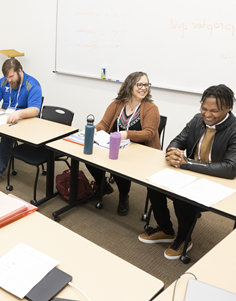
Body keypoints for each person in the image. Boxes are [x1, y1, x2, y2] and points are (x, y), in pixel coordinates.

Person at [139, 84, 236, 260]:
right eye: (204, 108)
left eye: (214, 111)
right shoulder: (197, 120)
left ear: (229, 107)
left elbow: (230, 169)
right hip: (190, 173)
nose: (207, 114)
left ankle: (184, 239)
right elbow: (176, 141)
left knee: (181, 198)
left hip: (217, 182)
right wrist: (173, 153)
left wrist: (187, 164)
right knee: (153, 184)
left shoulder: (234, 129)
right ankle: (166, 229)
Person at [86, 71, 160, 216]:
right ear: (129, 86)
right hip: (116, 146)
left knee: (120, 165)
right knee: (90, 156)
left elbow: (149, 133)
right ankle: (103, 186)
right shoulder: (117, 104)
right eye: (140, 84)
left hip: (142, 152)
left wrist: (126, 134)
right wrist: (95, 130)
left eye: (146, 85)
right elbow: (104, 124)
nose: (144, 88)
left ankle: (123, 196)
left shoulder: (151, 108)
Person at [0, 58, 42, 187]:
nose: (9, 80)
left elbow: (35, 110)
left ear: (20, 71)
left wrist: (19, 113)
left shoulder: (33, 84)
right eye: (6, 77)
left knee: (7, 135)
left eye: (11, 76)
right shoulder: (3, 82)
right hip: (6, 117)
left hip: (25, 120)